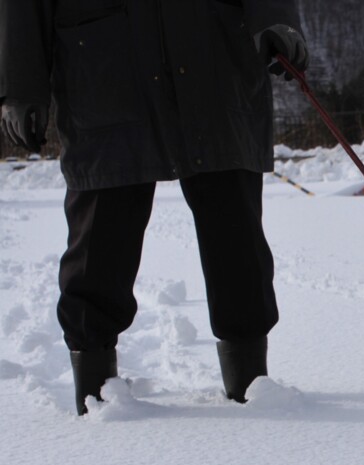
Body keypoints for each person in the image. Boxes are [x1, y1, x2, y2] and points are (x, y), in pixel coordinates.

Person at [0, 1, 308, 415]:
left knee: (236, 237)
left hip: (213, 61)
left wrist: (276, 18)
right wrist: (19, 83)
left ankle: (254, 390)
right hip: (105, 66)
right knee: (100, 242)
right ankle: (97, 399)